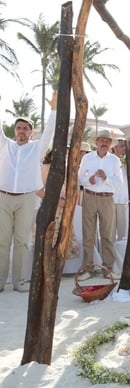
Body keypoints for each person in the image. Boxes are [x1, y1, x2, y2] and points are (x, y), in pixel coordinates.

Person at [0, 91, 57, 293]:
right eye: (18, 128)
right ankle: (0, 282)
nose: (21, 131)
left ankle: (19, 282)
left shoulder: (36, 148)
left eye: (25, 128)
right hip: (3, 198)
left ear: (31, 132)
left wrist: (54, 110)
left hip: (26, 199)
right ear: (14, 130)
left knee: (22, 241)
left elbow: (50, 132)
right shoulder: (4, 145)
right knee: (2, 241)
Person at [78, 129, 123, 280]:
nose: (104, 143)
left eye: (107, 141)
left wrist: (106, 178)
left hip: (107, 199)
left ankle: (107, 269)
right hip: (89, 197)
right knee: (88, 236)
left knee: (108, 236)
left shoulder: (115, 161)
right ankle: (88, 269)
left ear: (111, 144)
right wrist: (87, 181)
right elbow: (79, 177)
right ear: (96, 142)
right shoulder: (87, 158)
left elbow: (119, 184)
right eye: (101, 140)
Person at [111, 138, 129, 241]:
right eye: (121, 146)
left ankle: (121, 255)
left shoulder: (129, 162)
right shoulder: (109, 161)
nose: (124, 148)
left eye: (125, 146)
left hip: (124, 201)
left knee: (123, 232)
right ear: (114, 147)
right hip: (111, 200)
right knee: (110, 232)